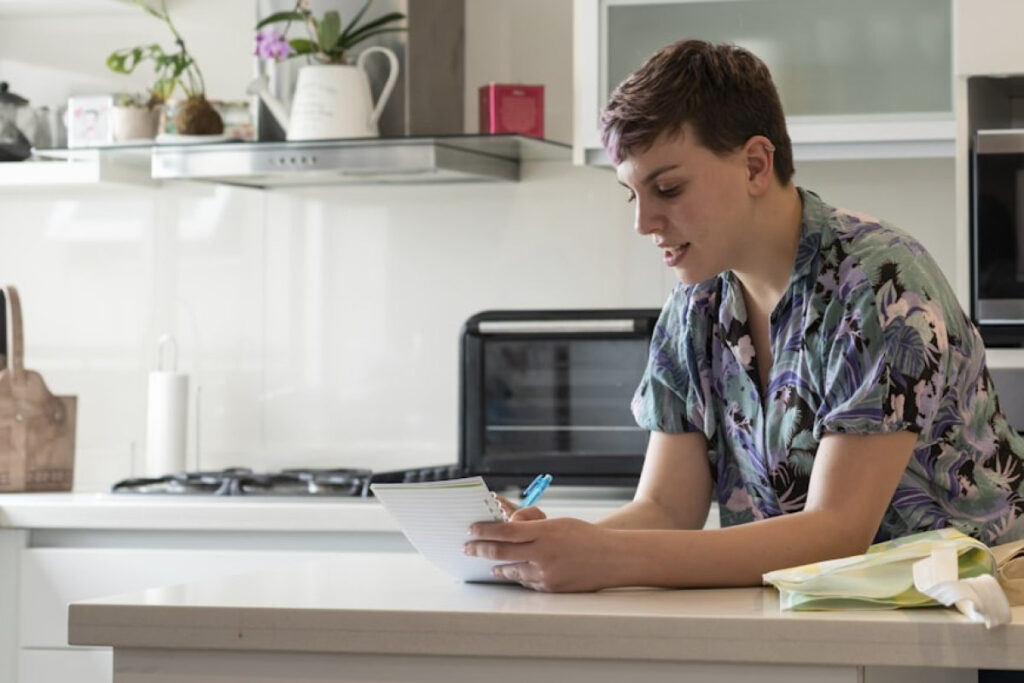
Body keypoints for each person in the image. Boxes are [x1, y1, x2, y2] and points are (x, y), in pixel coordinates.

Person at [464, 39, 1024, 594]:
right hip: (835, 624)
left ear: (756, 164)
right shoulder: (696, 306)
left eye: (668, 187)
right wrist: (544, 549)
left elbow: (836, 533)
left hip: (975, 627)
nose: (644, 222)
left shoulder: (882, 282)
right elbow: (665, 507)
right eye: (632, 194)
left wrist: (605, 555)